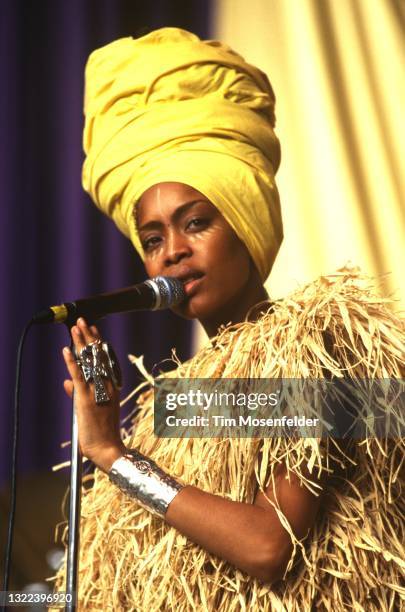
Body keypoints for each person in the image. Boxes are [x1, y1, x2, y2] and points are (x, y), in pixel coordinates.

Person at [53, 28, 404, 611]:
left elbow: (269, 545)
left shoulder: (320, 344)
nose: (172, 253)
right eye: (152, 237)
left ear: (246, 221)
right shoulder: (186, 400)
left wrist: (115, 455)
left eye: (196, 223)